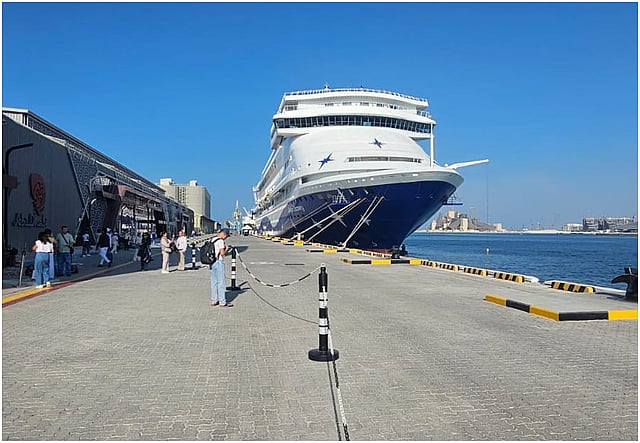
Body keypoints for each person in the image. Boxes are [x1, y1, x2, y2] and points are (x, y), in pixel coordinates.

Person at [210, 228, 232, 307]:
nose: (226, 238)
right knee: (221, 282)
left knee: (214, 282)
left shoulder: (213, 239)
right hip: (219, 262)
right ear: (224, 234)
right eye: (226, 236)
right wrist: (227, 249)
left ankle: (214, 300)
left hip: (211, 262)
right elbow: (222, 253)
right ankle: (222, 302)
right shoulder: (220, 241)